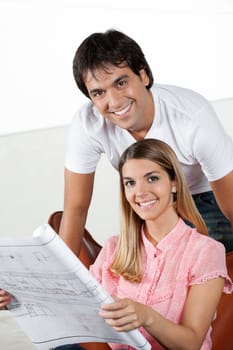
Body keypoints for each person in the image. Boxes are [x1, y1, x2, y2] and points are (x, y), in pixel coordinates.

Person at [60, 29, 233, 256]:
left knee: (193, 262)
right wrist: (56, 281)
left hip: (207, 196)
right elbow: (76, 208)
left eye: (121, 83)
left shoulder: (191, 116)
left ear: (143, 76)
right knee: (132, 268)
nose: (114, 101)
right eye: (99, 93)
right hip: (151, 201)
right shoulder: (88, 123)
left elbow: (230, 203)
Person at [89, 138, 232, 349]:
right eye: (130, 182)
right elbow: (82, 314)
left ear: (174, 183)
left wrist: (146, 316)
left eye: (152, 178)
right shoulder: (113, 248)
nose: (140, 192)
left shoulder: (206, 252)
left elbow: (191, 343)